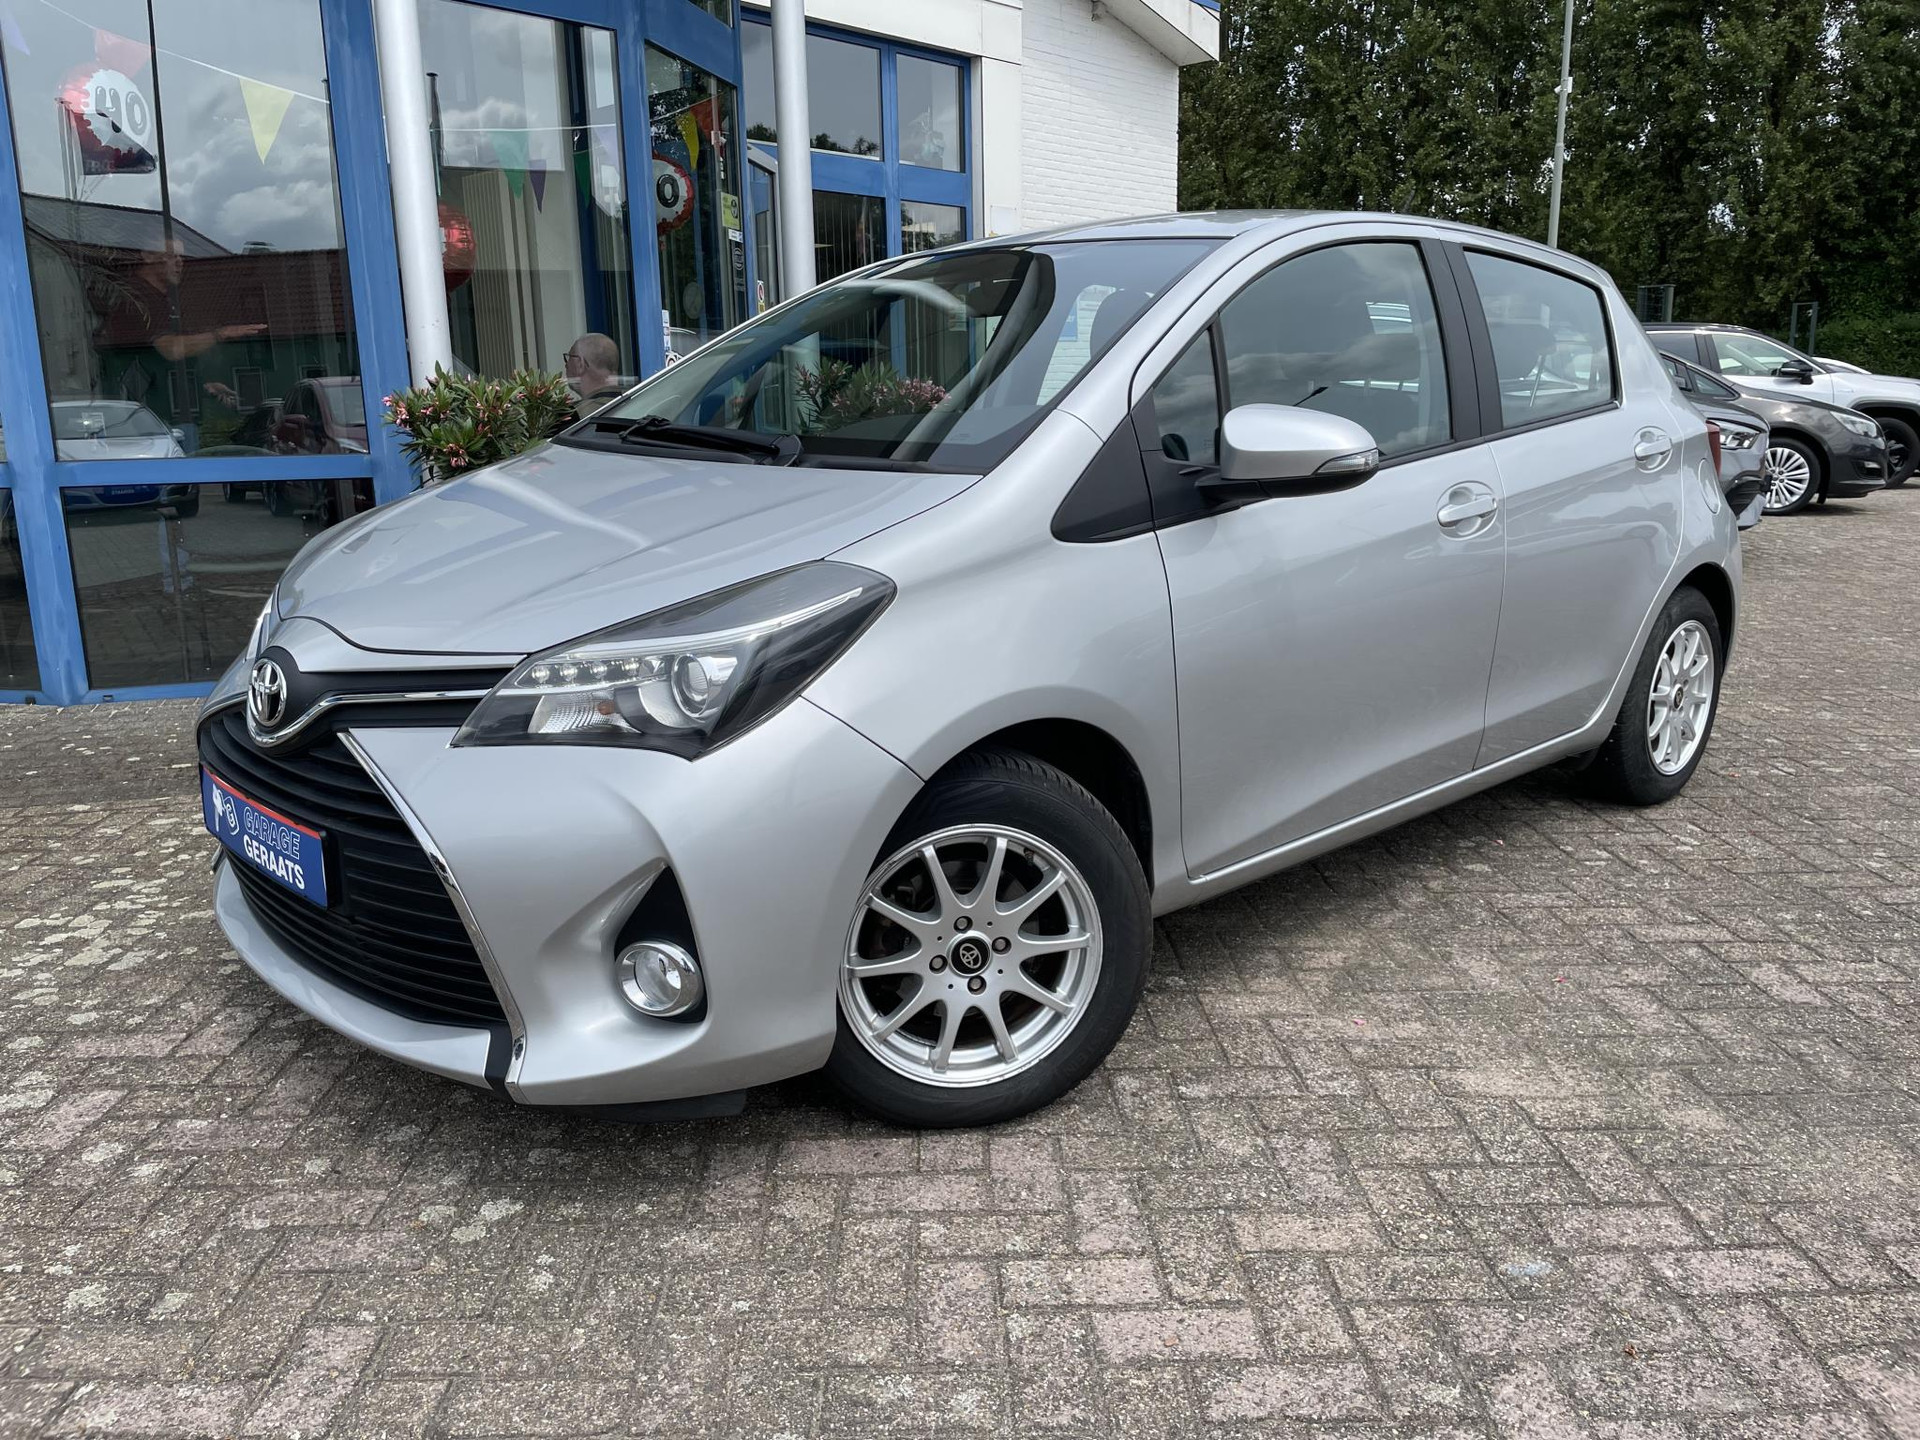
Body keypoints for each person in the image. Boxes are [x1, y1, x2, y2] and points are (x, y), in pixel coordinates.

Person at [565, 333, 626, 411]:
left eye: (570, 357)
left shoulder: (577, 415)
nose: (566, 365)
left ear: (580, 365)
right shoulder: (636, 402)